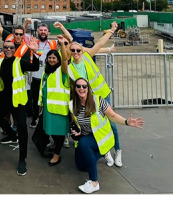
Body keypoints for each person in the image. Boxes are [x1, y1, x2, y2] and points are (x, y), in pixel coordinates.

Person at [68, 77, 144, 194]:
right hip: (87, 136)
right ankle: (102, 153)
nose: (81, 88)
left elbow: (112, 115)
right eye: (78, 86)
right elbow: (76, 123)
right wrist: (77, 132)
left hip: (103, 138)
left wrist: (127, 122)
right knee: (81, 166)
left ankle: (94, 183)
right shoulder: (72, 105)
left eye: (84, 86)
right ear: (75, 88)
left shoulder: (98, 100)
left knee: (83, 144)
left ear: (88, 88)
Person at [63, 21, 122, 166]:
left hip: (101, 95)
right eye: (73, 51)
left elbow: (100, 43)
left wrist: (112, 30)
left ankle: (118, 150)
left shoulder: (88, 57)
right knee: (93, 125)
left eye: (78, 50)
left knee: (111, 124)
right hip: (86, 100)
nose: (76, 53)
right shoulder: (69, 68)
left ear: (82, 51)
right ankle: (105, 151)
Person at [0, 38, 40, 176]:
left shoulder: (20, 62)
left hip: (19, 100)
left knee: (22, 127)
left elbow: (35, 67)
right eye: (6, 47)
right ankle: (12, 135)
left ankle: (22, 159)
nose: (8, 50)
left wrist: (35, 53)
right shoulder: (1, 62)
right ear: (3, 49)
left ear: (15, 50)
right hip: (5, 99)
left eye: (11, 48)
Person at [32, 48, 71, 167]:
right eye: (49, 57)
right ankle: (54, 145)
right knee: (47, 130)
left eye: (54, 58)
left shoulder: (62, 71)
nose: (51, 60)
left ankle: (57, 155)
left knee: (59, 132)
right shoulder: (46, 70)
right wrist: (40, 105)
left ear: (58, 59)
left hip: (59, 108)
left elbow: (65, 59)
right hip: (48, 107)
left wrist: (62, 46)